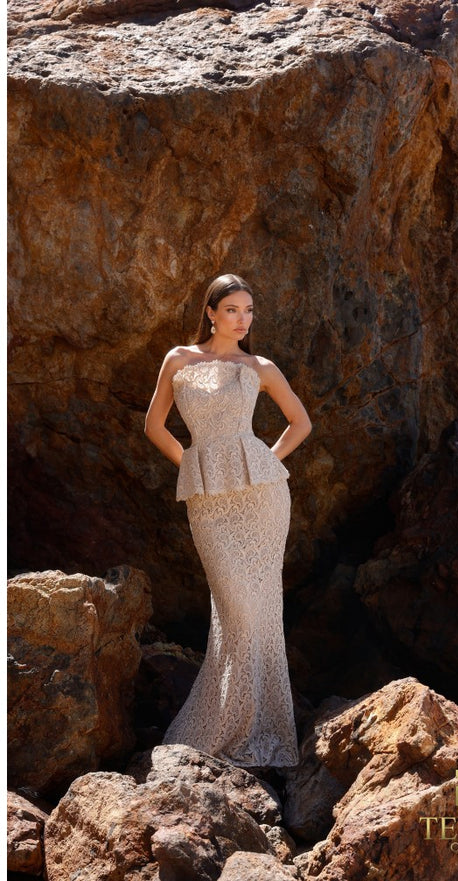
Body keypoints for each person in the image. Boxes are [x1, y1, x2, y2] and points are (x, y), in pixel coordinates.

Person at [144, 273, 312, 768]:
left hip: (262, 500)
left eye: (249, 310)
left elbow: (300, 422)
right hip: (209, 501)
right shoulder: (179, 359)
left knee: (258, 611)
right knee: (234, 605)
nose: (243, 319)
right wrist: (193, 467)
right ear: (212, 312)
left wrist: (264, 464)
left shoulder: (259, 366)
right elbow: (154, 426)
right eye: (233, 309)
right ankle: (224, 726)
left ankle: (259, 730)